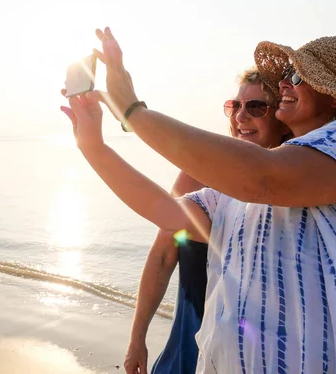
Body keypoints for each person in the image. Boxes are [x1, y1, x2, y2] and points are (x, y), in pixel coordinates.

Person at [73, 28, 336, 373]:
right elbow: (168, 215)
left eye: (296, 76)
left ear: (334, 95)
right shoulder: (237, 189)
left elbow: (264, 178)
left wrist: (132, 111)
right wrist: (94, 148)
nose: (284, 85)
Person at [122, 69, 289, 374]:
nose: (240, 116)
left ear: (280, 117)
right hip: (191, 336)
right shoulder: (198, 176)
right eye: (235, 106)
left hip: (258, 354)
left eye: (255, 107)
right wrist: (137, 338)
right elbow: (162, 255)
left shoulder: (297, 189)